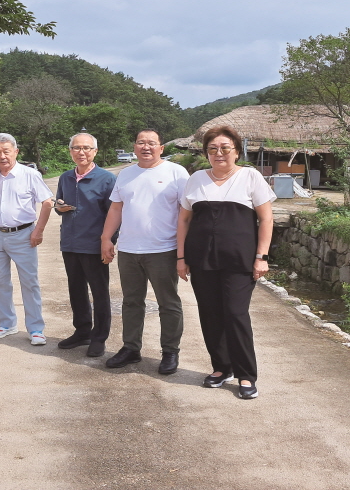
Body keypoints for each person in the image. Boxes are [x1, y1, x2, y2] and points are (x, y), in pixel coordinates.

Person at [176, 125, 275, 400]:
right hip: (202, 260)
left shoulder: (250, 177)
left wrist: (262, 257)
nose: (218, 153)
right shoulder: (196, 179)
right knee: (210, 314)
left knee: (235, 314)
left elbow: (266, 219)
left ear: (236, 151)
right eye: (212, 149)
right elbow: (184, 220)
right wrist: (181, 257)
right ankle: (221, 367)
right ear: (206, 153)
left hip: (239, 261)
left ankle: (246, 374)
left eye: (225, 148)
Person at [101, 129, 189, 374]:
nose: (146, 147)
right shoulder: (126, 174)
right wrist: (106, 238)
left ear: (161, 148)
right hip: (129, 250)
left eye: (152, 143)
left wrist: (183, 253)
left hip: (163, 249)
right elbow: (116, 209)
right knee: (131, 302)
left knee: (168, 303)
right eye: (141, 143)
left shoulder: (176, 172)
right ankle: (131, 348)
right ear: (134, 146)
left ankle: (170, 351)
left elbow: (186, 213)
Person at [0, 133, 54, 346]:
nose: (2, 156)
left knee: (30, 282)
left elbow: (47, 202)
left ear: (16, 152)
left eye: (6, 151)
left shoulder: (29, 174)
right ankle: (7, 324)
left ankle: (36, 329)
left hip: (23, 234)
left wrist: (39, 230)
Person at [54, 133, 116, 358]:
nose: (81, 152)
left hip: (94, 244)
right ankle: (82, 331)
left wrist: (109, 242)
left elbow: (115, 214)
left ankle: (99, 337)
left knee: (99, 292)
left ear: (95, 152)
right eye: (76, 148)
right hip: (70, 243)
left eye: (87, 148)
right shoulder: (65, 178)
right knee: (76, 290)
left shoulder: (107, 179)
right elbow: (59, 203)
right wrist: (59, 207)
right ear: (70, 151)